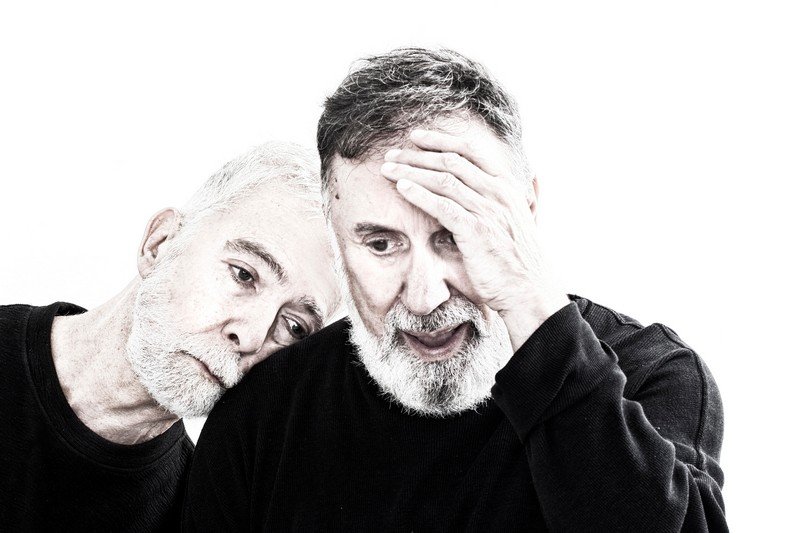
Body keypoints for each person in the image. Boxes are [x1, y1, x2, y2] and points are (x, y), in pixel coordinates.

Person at [183, 49, 727, 531]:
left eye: (456, 234)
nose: (426, 298)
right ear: (335, 235)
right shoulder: (264, 414)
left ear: (524, 213)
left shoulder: (650, 375)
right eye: (380, 244)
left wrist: (533, 307)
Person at [0, 142, 340, 532]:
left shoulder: (199, 514)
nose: (250, 336)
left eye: (294, 327)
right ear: (159, 244)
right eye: (244, 275)